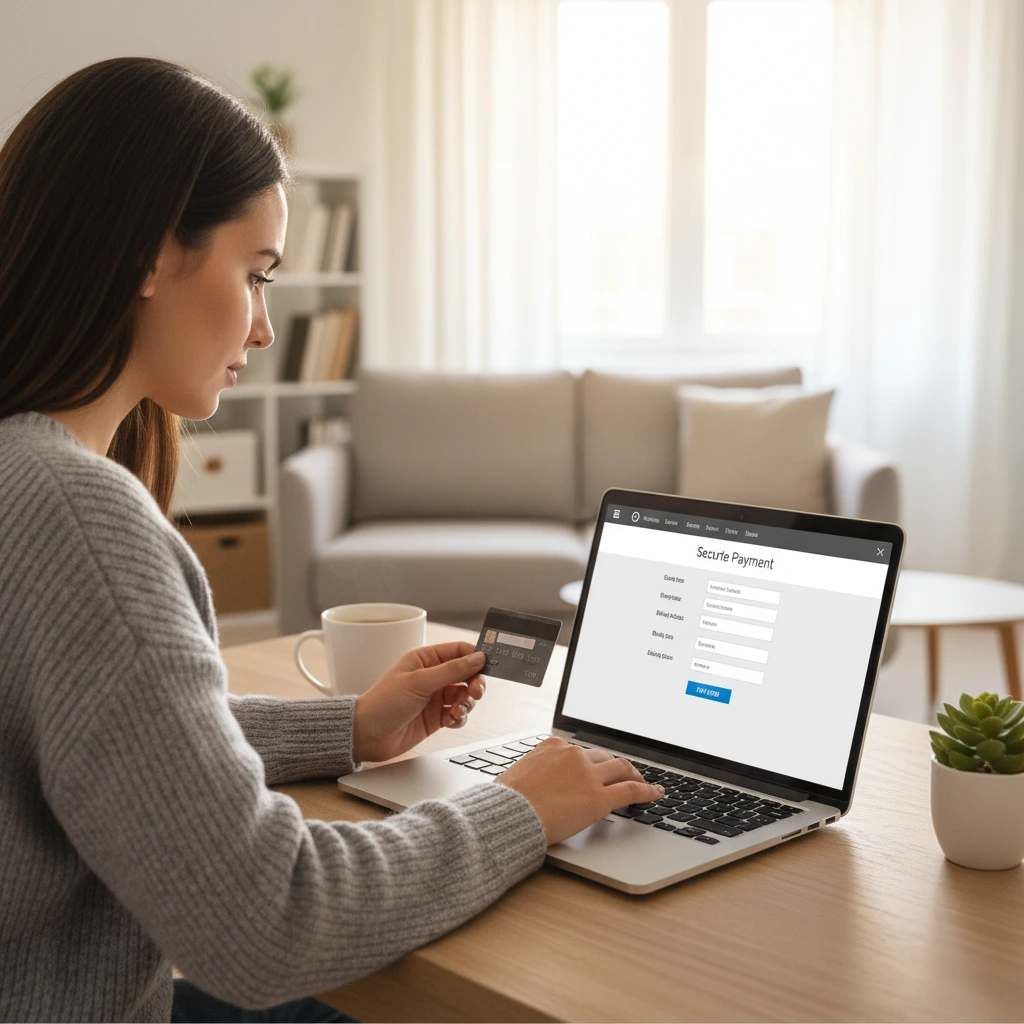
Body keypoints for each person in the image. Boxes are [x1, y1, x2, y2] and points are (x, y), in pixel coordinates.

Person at [0, 57, 664, 1023]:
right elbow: (270, 920)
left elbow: (111, 746)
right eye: (256, 274)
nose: (265, 328)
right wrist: (520, 806)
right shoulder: (78, 518)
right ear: (150, 254)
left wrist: (348, 726)